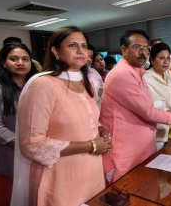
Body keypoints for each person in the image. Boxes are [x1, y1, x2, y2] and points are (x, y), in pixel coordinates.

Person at [11, 26, 111, 206]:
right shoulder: (43, 85)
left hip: (90, 170)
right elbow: (32, 144)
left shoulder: (87, 82)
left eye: (84, 45)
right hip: (59, 176)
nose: (81, 51)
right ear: (56, 51)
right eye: (73, 45)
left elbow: (88, 120)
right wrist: (92, 145)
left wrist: (101, 130)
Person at [100, 29, 171, 183]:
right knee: (130, 194)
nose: (143, 52)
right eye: (137, 47)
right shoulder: (122, 75)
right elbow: (148, 111)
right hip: (125, 155)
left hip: (143, 147)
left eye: (146, 48)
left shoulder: (137, 72)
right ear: (123, 50)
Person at [0, 43, 37, 179]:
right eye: (14, 59)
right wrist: (25, 146)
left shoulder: (36, 85)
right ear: (3, 63)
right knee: (6, 195)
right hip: (6, 153)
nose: (20, 63)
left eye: (25, 59)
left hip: (33, 151)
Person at [86, 44, 104, 109]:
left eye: (91, 57)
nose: (89, 60)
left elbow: (101, 91)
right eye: (87, 56)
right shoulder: (73, 75)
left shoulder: (94, 72)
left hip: (97, 111)